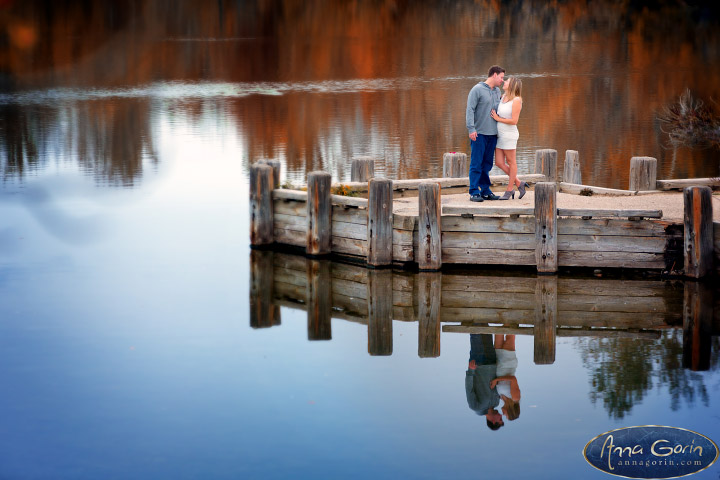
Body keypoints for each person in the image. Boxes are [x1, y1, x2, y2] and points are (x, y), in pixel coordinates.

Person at [466, 66, 504, 202]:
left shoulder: (497, 91)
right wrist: (471, 129)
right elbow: (470, 109)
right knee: (476, 163)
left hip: (493, 134)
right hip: (479, 133)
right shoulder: (477, 89)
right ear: (494, 75)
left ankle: (485, 191)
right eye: (501, 77)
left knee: (487, 164)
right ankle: (474, 192)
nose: (502, 80)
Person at [490, 76, 529, 200]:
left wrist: (497, 119)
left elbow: (514, 121)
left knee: (511, 162)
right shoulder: (503, 97)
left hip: (509, 134)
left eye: (507, 81)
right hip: (500, 134)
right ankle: (519, 183)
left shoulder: (517, 100)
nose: (504, 82)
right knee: (499, 163)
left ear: (512, 85)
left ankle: (509, 189)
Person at [465, 334, 503, 430]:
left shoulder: (476, 407)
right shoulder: (497, 403)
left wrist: (470, 371)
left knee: (476, 335)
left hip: (479, 364)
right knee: (487, 333)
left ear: (493, 421)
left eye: (500, 419)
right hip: (492, 362)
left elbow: (469, 389)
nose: (501, 416)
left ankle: (474, 318)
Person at [490, 334, 521, 422]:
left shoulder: (501, 398)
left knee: (498, 332)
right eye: (506, 415)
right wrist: (496, 380)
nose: (503, 414)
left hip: (499, 364)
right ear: (511, 412)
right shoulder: (515, 398)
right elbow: (513, 379)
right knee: (510, 335)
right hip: (509, 363)